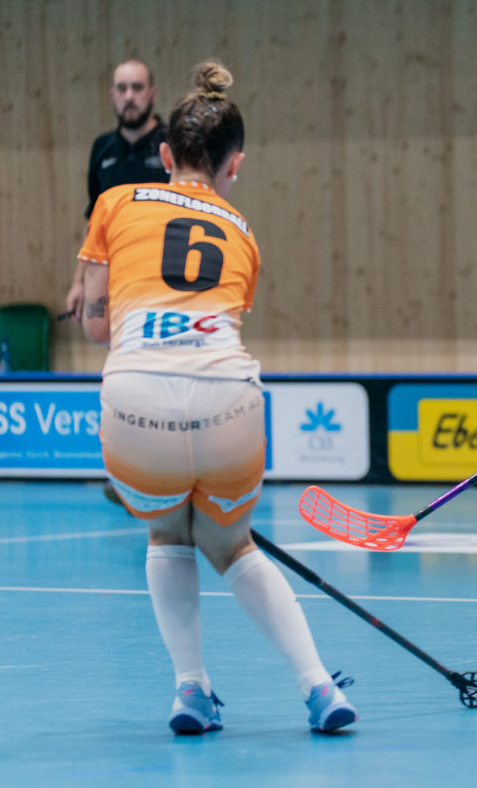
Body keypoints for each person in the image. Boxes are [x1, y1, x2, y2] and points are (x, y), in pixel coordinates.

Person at [78, 60, 356, 734]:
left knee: (167, 533)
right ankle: (319, 687)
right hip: (228, 400)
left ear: (165, 155)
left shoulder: (114, 203)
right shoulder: (243, 233)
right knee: (231, 546)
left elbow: (94, 327)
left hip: (136, 400)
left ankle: (192, 689)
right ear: (237, 164)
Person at [65, 58, 170, 324]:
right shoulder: (102, 148)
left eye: (137, 87)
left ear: (153, 93)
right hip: (114, 279)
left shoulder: (173, 143)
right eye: (122, 89)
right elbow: (94, 222)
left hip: (163, 277)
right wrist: (79, 282)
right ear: (112, 95)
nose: (129, 96)